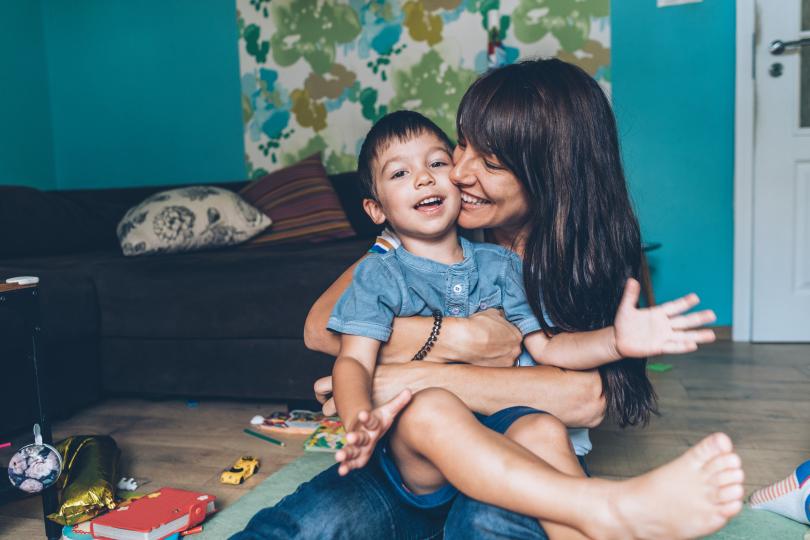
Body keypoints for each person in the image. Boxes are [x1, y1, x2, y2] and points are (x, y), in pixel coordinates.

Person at [231, 59, 743, 540]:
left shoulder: (568, 258)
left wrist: (408, 376)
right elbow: (322, 327)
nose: (456, 172)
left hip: (519, 448)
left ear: (551, 173)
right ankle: (602, 508)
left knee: (495, 504)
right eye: (462, 146)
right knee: (297, 527)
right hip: (414, 458)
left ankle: (606, 512)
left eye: (490, 162)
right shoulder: (416, 238)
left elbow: (587, 397)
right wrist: (456, 337)